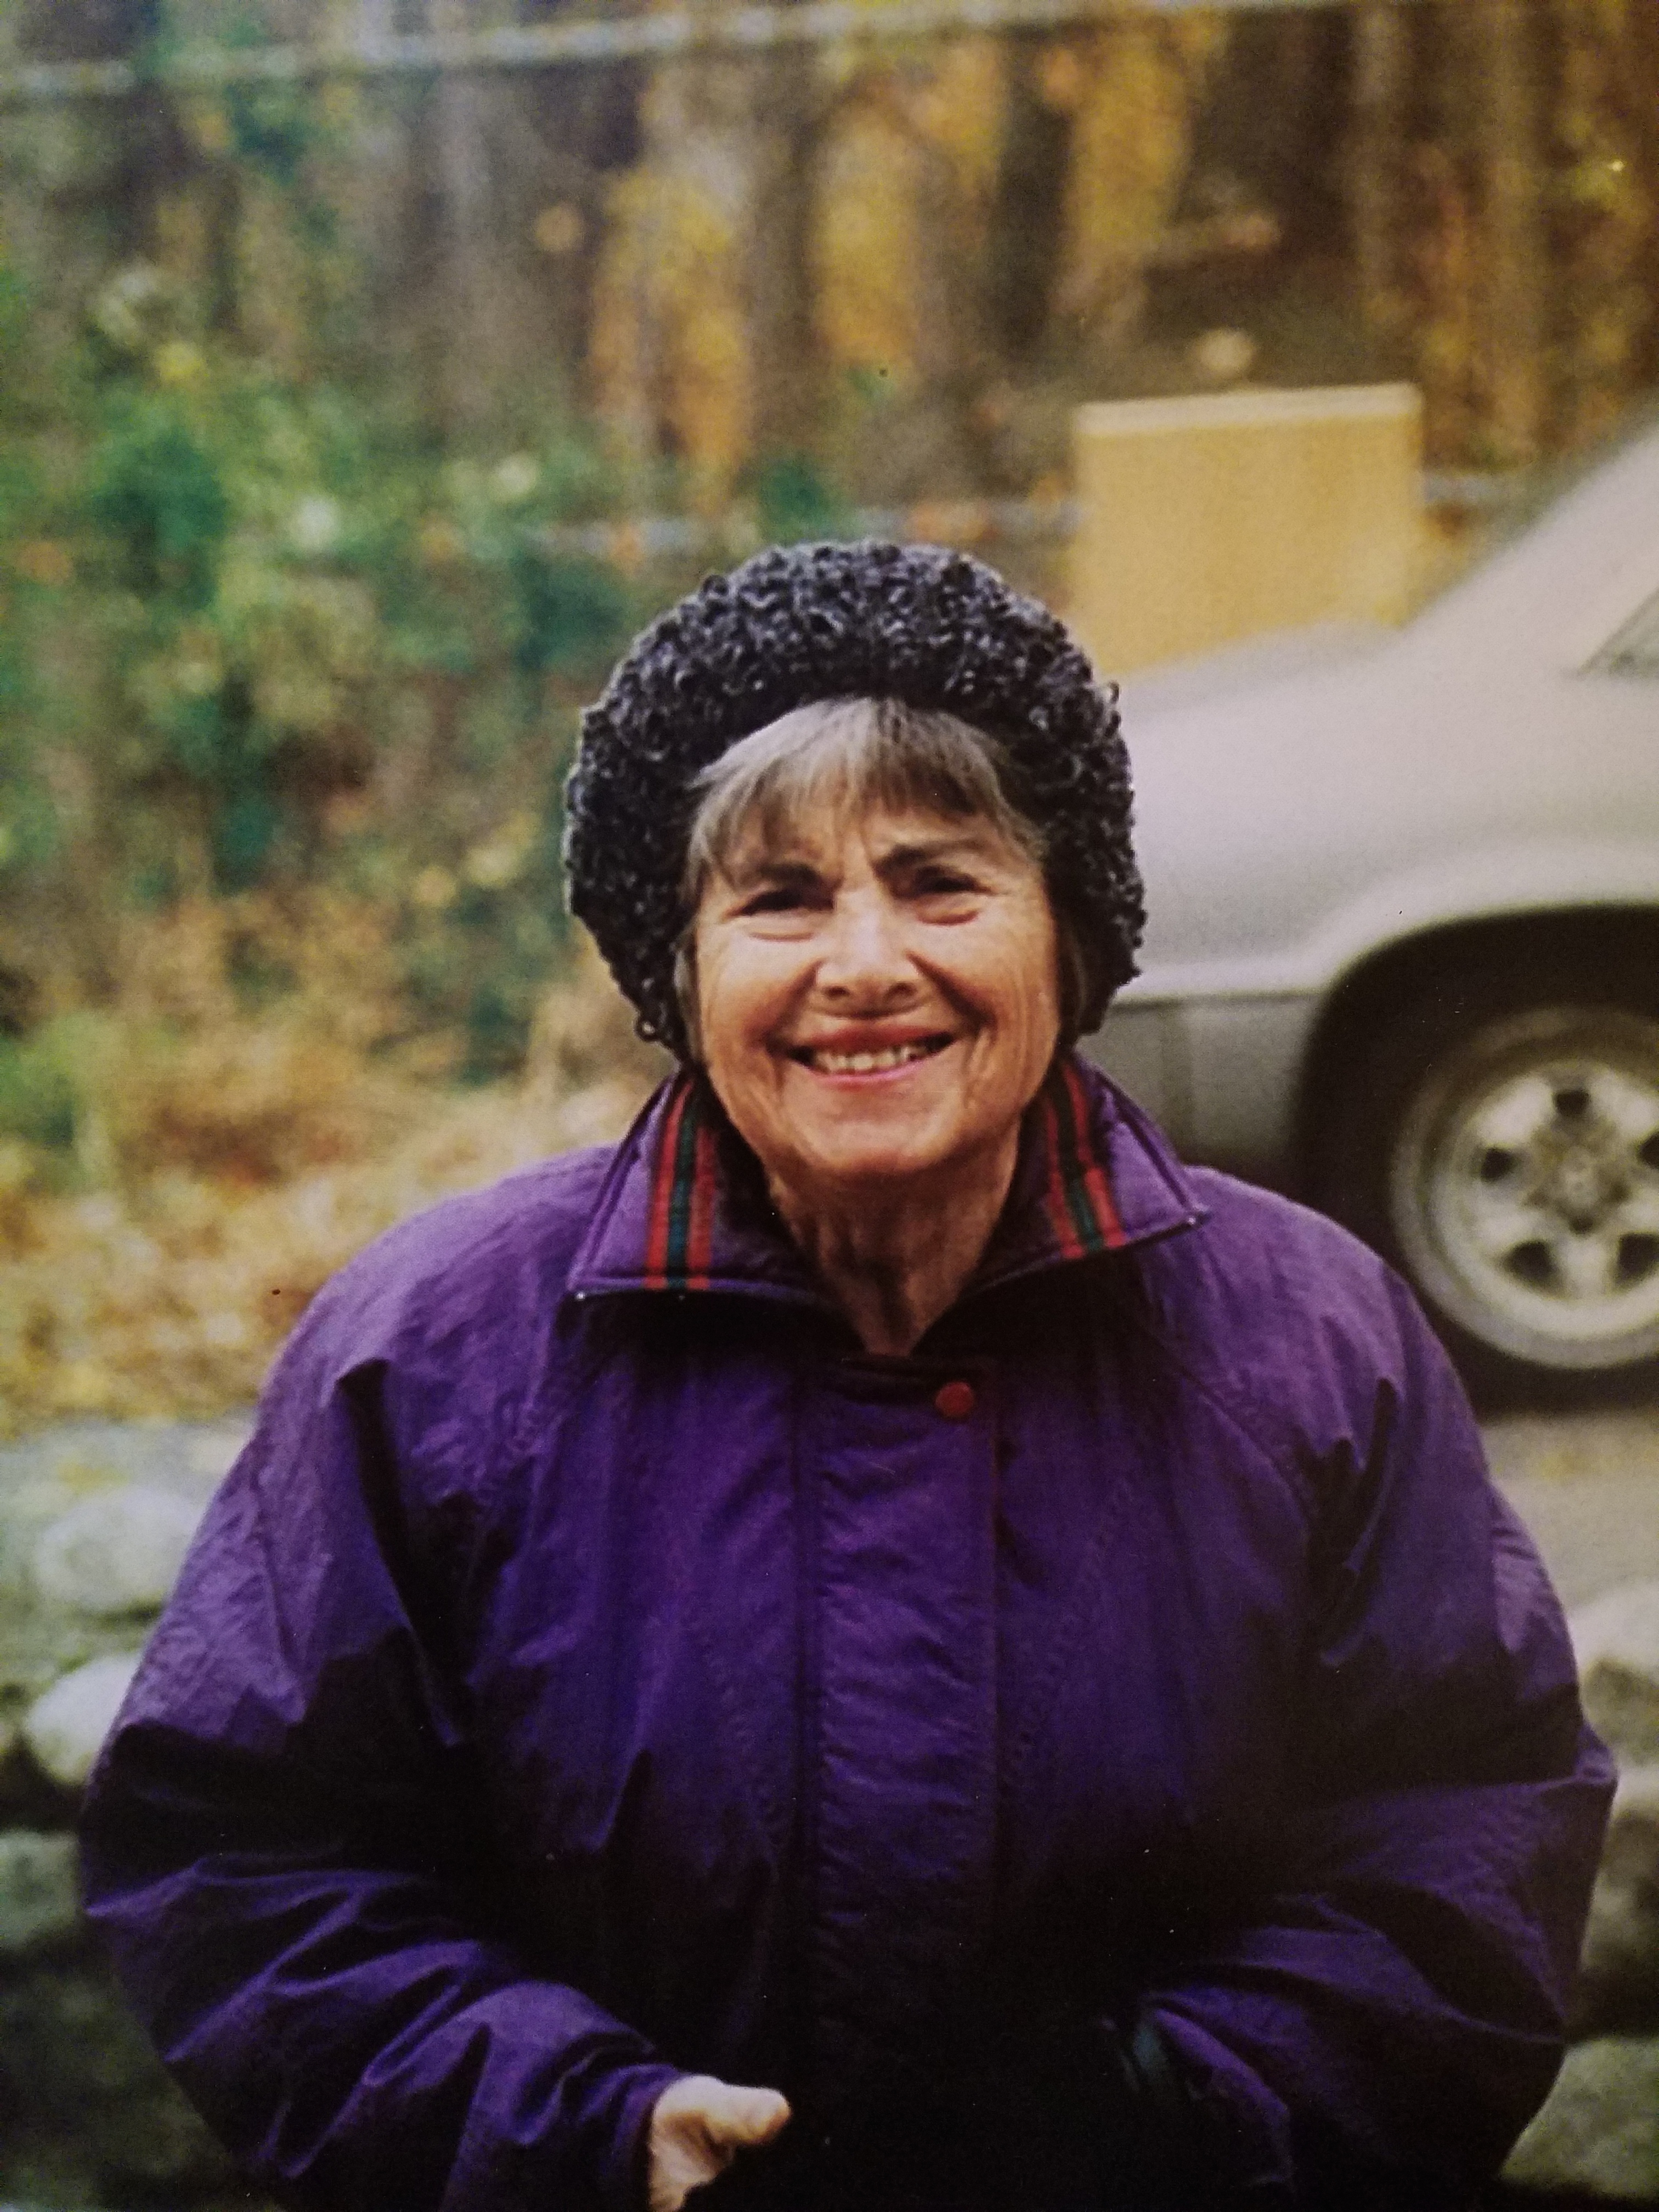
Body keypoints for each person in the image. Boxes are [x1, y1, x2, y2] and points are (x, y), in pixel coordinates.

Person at [81, 541, 1613, 2212]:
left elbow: (1467, 1827)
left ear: (1067, 938)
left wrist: (1184, 2113)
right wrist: (586, 2132)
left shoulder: (1313, 1340)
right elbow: (245, 1859)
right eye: (780, 897)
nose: (865, 962)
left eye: (941, 880)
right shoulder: (431, 1355)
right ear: (679, 969)